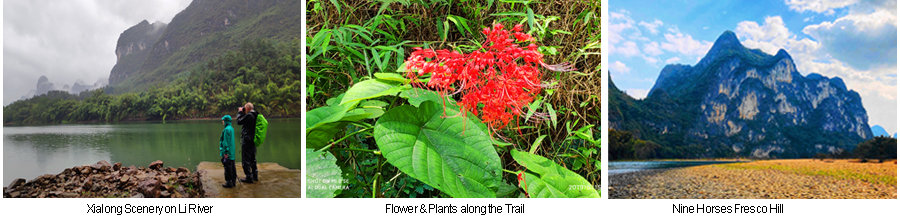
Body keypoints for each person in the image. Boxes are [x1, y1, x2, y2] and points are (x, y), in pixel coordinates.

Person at [236, 102, 259, 183]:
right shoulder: (255, 115)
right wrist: (243, 113)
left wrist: (239, 112)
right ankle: (255, 175)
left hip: (247, 140)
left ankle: (248, 177)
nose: (244, 110)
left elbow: (239, 121)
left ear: (247, 109)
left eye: (245, 108)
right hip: (253, 139)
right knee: (252, 158)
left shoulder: (249, 115)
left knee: (246, 159)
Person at [219, 115, 236, 188]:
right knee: (232, 166)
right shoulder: (231, 128)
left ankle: (229, 182)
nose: (222, 121)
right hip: (232, 152)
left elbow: (226, 142)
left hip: (228, 152)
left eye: (223, 120)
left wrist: (225, 152)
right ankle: (233, 181)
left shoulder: (226, 130)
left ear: (226, 121)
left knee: (227, 167)